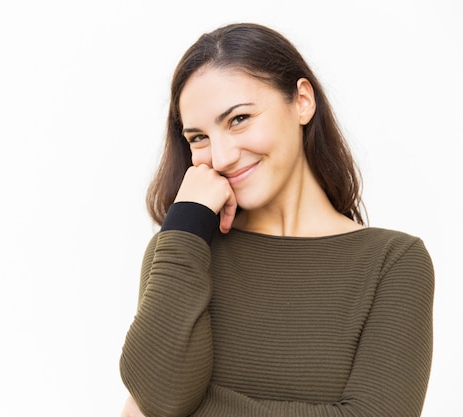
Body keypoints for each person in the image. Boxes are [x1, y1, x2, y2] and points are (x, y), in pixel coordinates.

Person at [119, 22, 434, 417]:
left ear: (302, 101)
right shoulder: (182, 250)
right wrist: (185, 223)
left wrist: (193, 408)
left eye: (238, 119)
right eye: (198, 137)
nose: (220, 157)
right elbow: (161, 396)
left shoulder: (393, 261)